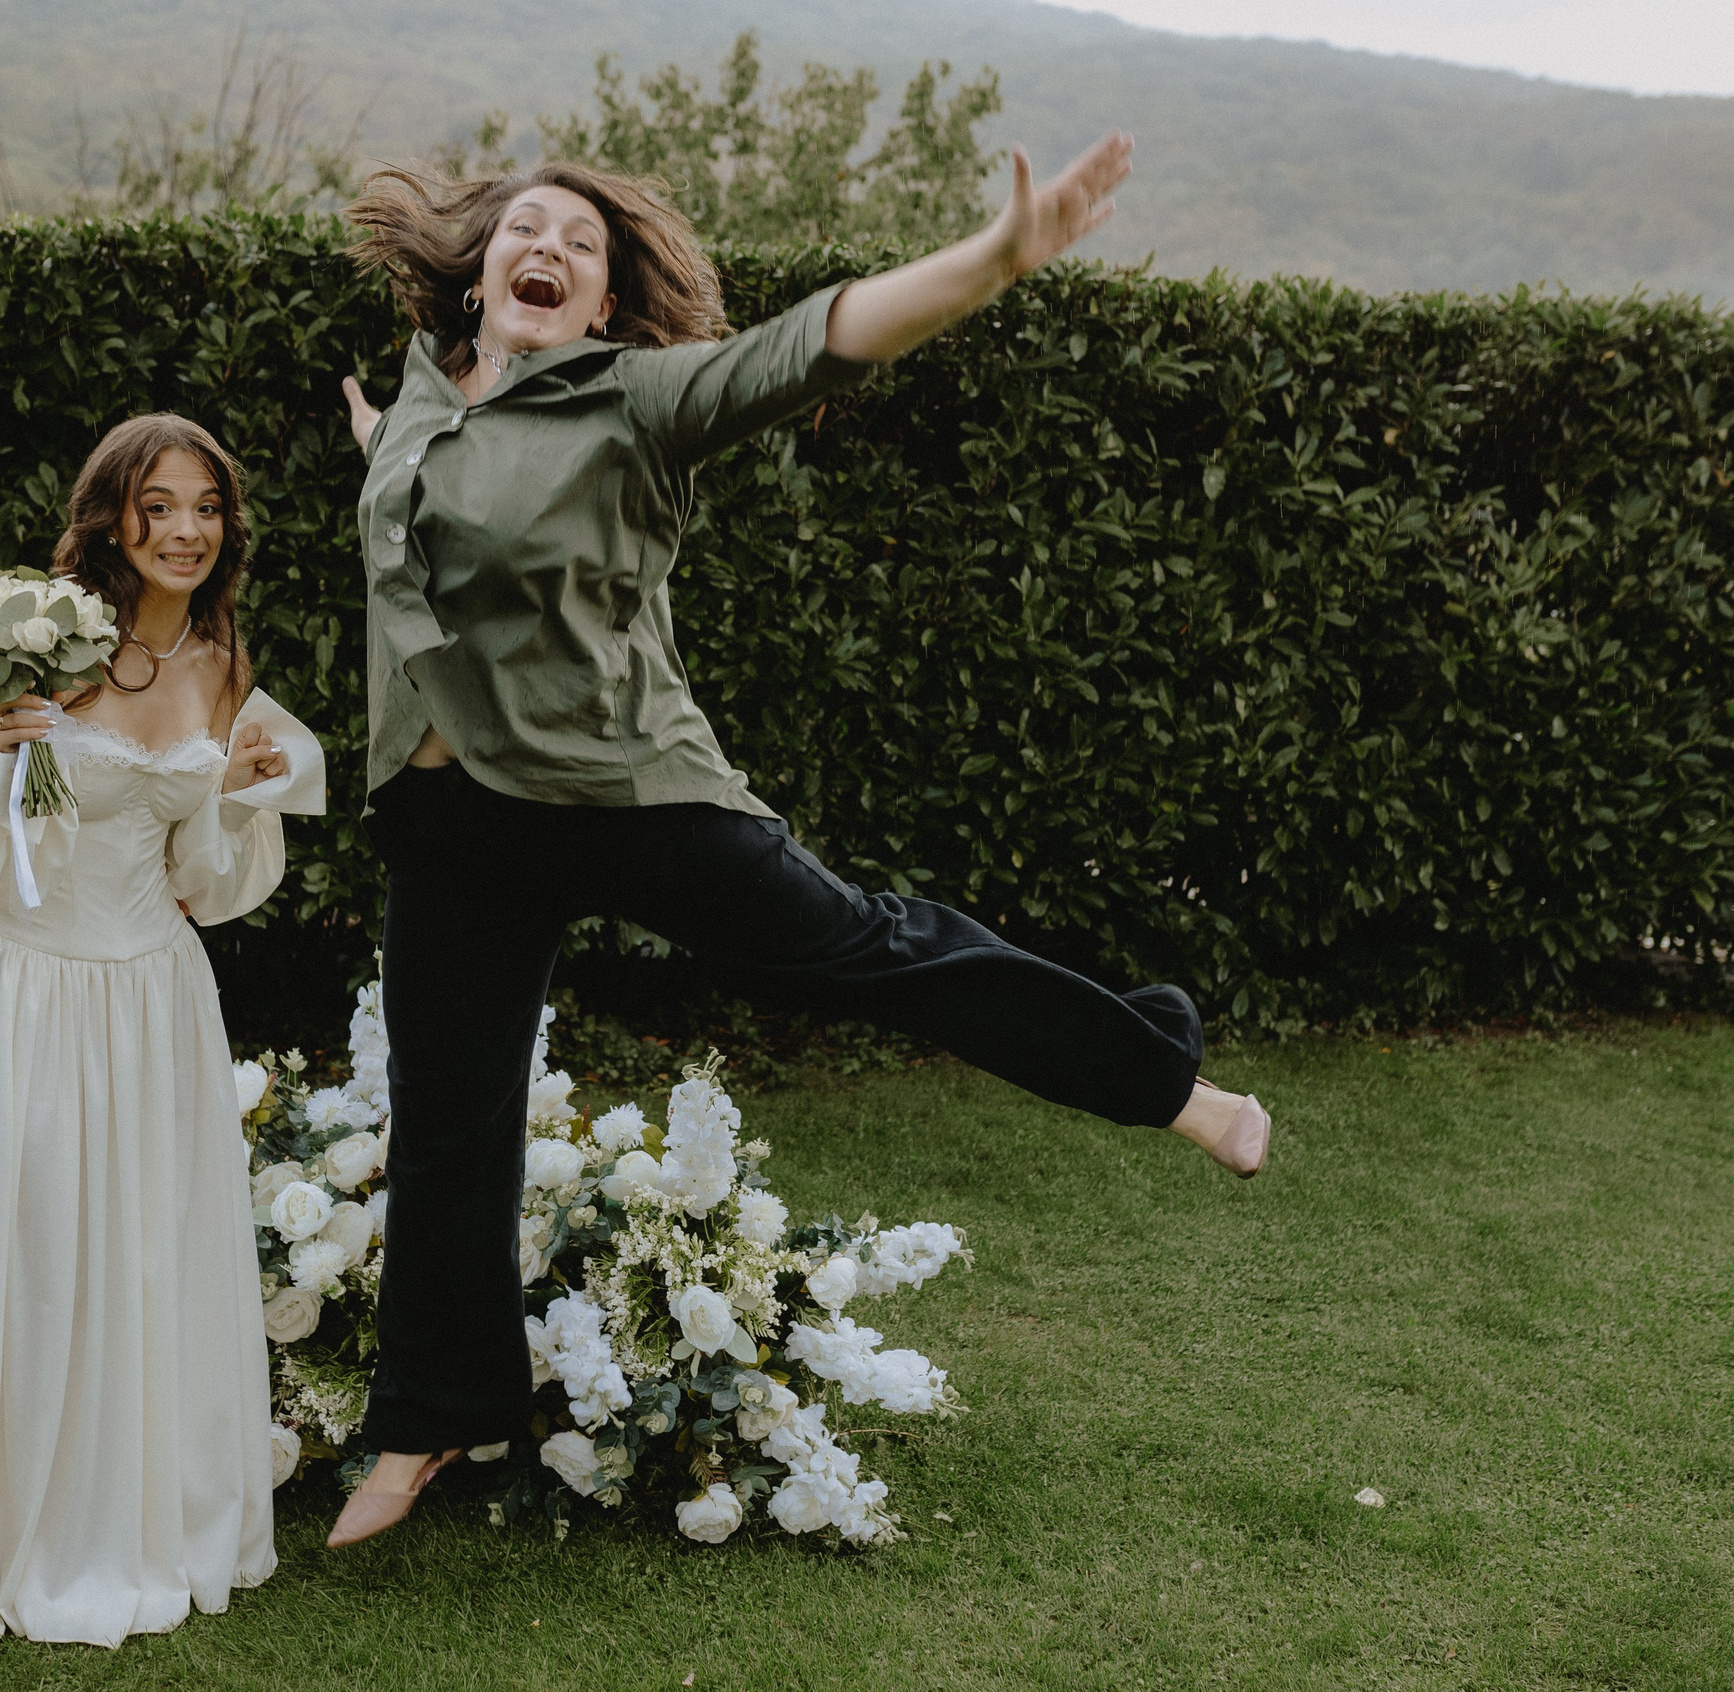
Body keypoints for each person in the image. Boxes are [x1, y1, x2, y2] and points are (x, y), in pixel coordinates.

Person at [329, 135, 1272, 1544]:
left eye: (582, 247)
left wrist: (991, 259)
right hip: (457, 815)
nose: (551, 249)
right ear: (477, 278)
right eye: (526, 231)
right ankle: (429, 1420)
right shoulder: (414, 402)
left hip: (626, 789)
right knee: (450, 1118)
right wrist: (385, 452)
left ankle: (1169, 1080)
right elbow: (422, 518)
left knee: (862, 950)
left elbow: (807, 347)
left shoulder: (634, 399)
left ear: (601, 305)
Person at [0, 414, 322, 1645]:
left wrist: (244, 791)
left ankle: (160, 1512)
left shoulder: (219, 661)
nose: (187, 530)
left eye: (205, 506)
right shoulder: (41, 643)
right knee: (44, 1249)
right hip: (37, 987)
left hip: (158, 991)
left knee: (155, 1252)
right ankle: (41, 1528)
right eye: (160, 506)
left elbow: (204, 878)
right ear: (114, 517)